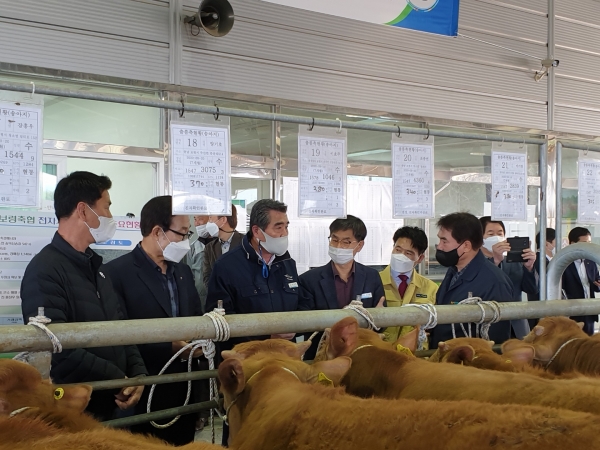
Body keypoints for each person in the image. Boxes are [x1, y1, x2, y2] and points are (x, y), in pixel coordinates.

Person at [20, 171, 147, 422]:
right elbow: (55, 346)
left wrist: (138, 374)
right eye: (106, 207)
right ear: (83, 210)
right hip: (76, 411)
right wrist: (116, 378)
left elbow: (121, 327)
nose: (110, 216)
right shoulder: (44, 270)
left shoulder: (97, 268)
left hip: (113, 403)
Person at [206, 199, 308, 447]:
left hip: (285, 371)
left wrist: (296, 325)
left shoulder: (287, 263)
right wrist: (266, 339)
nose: (284, 233)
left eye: (286, 226)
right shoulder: (227, 267)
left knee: (282, 432)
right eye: (278, 227)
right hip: (248, 373)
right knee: (244, 434)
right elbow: (219, 323)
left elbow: (303, 305)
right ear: (257, 231)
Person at [103, 195, 203, 445]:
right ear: (158, 232)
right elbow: (117, 334)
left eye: (188, 234)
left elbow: (196, 317)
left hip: (184, 387)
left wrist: (198, 342)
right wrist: (168, 347)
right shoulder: (116, 273)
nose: (186, 241)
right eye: (182, 233)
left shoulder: (183, 272)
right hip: (143, 387)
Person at [299, 215, 385, 359]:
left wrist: (379, 317)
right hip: (322, 356)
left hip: (362, 355)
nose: (338, 246)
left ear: (359, 245)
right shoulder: (308, 280)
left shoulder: (372, 277)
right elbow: (303, 324)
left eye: (346, 242)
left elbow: (380, 322)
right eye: (334, 240)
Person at [429, 212, 514, 349]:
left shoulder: (494, 282)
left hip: (467, 359)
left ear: (466, 246)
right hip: (445, 355)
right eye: (440, 240)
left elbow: (496, 341)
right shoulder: (454, 270)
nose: (439, 247)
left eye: (444, 241)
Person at [379, 226, 438, 347]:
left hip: (416, 354)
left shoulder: (431, 288)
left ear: (420, 258)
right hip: (381, 352)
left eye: (408, 253)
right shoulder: (375, 281)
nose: (401, 255)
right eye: (398, 249)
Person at [479, 216, 537, 338]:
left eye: (500, 233)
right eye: (490, 234)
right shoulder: (474, 264)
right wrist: (494, 261)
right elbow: (482, 288)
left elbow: (532, 289)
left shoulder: (513, 262)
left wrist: (529, 268)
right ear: (480, 239)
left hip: (516, 327)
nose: (496, 237)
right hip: (488, 327)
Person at [561, 227, 600, 336]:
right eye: (584, 243)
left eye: (589, 243)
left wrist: (598, 285)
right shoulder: (563, 264)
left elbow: (596, 282)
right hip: (572, 314)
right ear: (573, 244)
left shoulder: (591, 262)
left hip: (589, 312)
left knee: (589, 342)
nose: (588, 247)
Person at [203, 203, 244, 288]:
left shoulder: (246, 243)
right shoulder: (209, 248)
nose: (208, 222)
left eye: (210, 217)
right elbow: (207, 277)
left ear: (223, 220)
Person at [185, 215, 215, 313]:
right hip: (199, 301)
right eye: (195, 219)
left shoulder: (221, 245)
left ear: (211, 219)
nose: (196, 223)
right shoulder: (192, 248)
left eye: (200, 219)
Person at [527, 228, 556, 327]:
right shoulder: (538, 261)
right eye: (556, 242)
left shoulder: (549, 261)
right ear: (547, 244)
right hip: (541, 311)